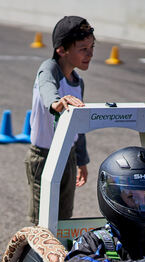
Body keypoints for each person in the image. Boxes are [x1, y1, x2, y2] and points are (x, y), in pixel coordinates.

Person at [25, 16, 95, 225]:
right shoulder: (48, 69)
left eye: (92, 47)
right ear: (62, 50)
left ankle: (59, 257)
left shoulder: (78, 83)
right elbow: (47, 85)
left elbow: (78, 125)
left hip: (69, 157)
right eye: (83, 48)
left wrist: (81, 159)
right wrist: (56, 102)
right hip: (44, 157)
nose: (90, 53)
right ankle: (37, 257)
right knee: (43, 223)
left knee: (63, 220)